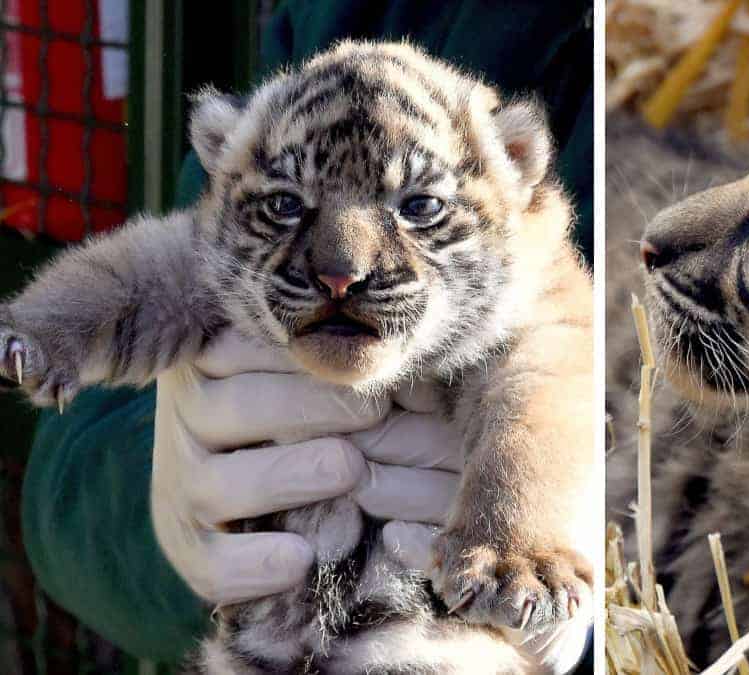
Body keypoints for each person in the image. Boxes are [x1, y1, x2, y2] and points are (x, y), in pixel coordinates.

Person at [20, 1, 594, 670]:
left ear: (517, 165)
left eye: (419, 207)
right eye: (286, 204)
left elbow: (551, 373)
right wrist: (162, 508)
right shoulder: (333, 15)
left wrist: (530, 543)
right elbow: (65, 485)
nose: (341, 270)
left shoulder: (535, 275)